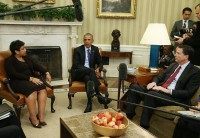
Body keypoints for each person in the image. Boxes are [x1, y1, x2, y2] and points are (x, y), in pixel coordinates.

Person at [125, 45, 200, 129]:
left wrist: (165, 90)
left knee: (151, 95)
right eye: (175, 52)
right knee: (134, 87)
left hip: (175, 97)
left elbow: (188, 93)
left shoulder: (195, 71)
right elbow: (160, 76)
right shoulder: (173, 65)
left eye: (178, 53)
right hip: (159, 91)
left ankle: (144, 126)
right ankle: (128, 118)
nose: (175, 54)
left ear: (186, 56)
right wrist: (154, 82)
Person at [5, 40, 52, 128]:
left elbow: (37, 65)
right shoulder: (9, 60)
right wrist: (30, 78)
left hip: (29, 81)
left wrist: (46, 72)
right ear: (16, 51)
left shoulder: (26, 58)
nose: (25, 50)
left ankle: (41, 116)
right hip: (17, 82)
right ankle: (33, 118)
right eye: (23, 48)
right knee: (32, 91)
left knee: (42, 88)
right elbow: (13, 74)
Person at [71, 33, 111, 113]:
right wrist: (92, 70)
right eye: (85, 39)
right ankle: (99, 95)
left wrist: (99, 68)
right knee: (90, 71)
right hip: (78, 73)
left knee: (88, 79)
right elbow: (76, 65)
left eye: (89, 39)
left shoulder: (95, 49)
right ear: (83, 40)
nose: (87, 41)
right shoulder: (78, 50)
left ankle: (89, 104)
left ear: (92, 40)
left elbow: (100, 62)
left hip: (88, 75)